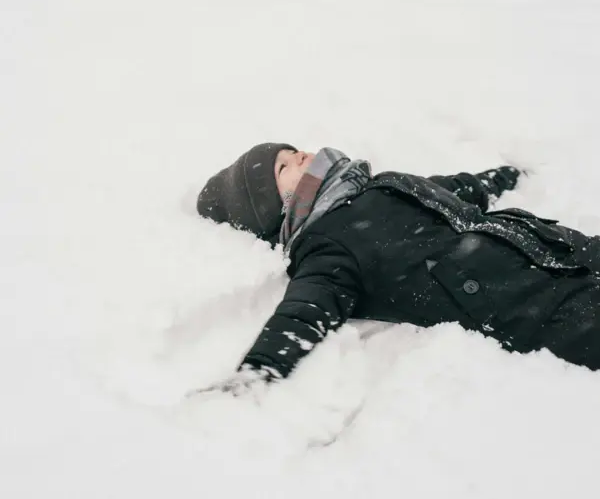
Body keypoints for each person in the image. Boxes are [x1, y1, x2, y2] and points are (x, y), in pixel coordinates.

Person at [195, 142, 600, 392]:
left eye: (291, 150)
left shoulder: (380, 182)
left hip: (552, 247)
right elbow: (303, 311)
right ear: (274, 209)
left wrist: (498, 178)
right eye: (283, 167)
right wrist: (259, 370)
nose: (299, 155)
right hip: (526, 306)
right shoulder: (324, 246)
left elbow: (453, 189)